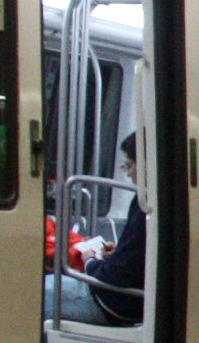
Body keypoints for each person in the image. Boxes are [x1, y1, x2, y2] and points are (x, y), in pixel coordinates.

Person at [46, 134, 145, 325]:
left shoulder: (145, 204)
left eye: (130, 165)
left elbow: (116, 276)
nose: (129, 173)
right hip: (133, 299)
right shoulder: (158, 201)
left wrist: (89, 261)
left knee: (32, 296)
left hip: (114, 302)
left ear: (145, 164)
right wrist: (119, 252)